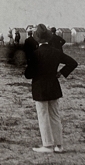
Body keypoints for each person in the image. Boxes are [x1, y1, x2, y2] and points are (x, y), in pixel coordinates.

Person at [24, 24, 77, 153]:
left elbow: (28, 74)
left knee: (43, 116)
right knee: (54, 116)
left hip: (40, 87)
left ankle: (47, 145)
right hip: (53, 85)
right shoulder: (56, 52)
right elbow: (73, 63)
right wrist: (61, 72)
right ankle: (59, 145)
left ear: (37, 39)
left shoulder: (35, 54)